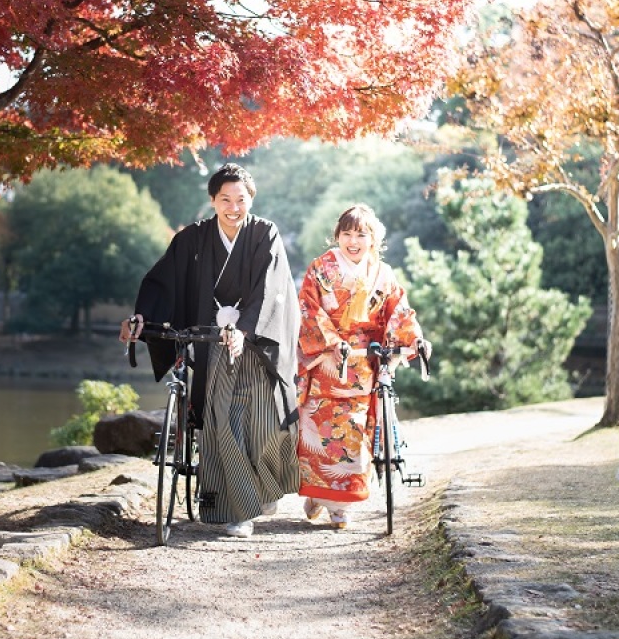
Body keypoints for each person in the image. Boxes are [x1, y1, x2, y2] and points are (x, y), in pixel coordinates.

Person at [119, 162, 300, 538]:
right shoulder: (193, 239)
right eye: (225, 199)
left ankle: (263, 486)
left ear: (252, 199)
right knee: (221, 422)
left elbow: (271, 289)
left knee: (267, 425)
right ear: (213, 201)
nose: (234, 207)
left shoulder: (265, 233)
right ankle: (238, 508)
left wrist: (244, 331)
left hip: (254, 344)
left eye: (241, 199)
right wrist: (141, 318)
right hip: (211, 345)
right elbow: (161, 282)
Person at [296, 204, 425, 530]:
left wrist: (414, 340)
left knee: (354, 437)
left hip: (365, 364)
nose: (353, 241)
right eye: (347, 234)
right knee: (320, 436)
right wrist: (330, 341)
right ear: (337, 235)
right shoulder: (321, 269)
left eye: (361, 234)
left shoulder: (383, 274)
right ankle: (318, 495)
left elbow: (400, 313)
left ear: (373, 239)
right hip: (328, 363)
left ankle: (340, 508)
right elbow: (309, 310)